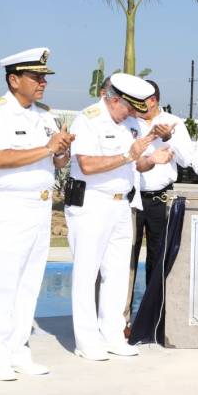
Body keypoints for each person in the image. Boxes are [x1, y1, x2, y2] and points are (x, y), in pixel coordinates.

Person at [0, 47, 74, 380]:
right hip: (9, 207)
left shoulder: (45, 115)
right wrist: (47, 148)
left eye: (44, 77)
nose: (42, 82)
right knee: (4, 283)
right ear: (14, 80)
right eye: (35, 77)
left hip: (40, 206)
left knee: (29, 284)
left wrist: (62, 150)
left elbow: (55, 161)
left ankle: (18, 350)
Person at [66, 73, 172, 361]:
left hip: (122, 204)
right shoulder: (88, 119)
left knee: (117, 273)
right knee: (87, 274)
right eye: (128, 108)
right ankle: (86, 340)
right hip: (92, 203)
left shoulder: (130, 124)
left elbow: (137, 164)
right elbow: (87, 165)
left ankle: (112, 335)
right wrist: (128, 155)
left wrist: (152, 160)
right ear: (113, 100)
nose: (132, 114)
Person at [128, 80, 193, 325]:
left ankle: (154, 318)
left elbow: (187, 161)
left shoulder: (174, 123)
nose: (135, 105)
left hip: (160, 199)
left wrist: (169, 138)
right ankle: (123, 319)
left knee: (158, 259)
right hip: (132, 199)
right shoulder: (129, 121)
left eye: (139, 100)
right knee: (127, 259)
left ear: (153, 100)